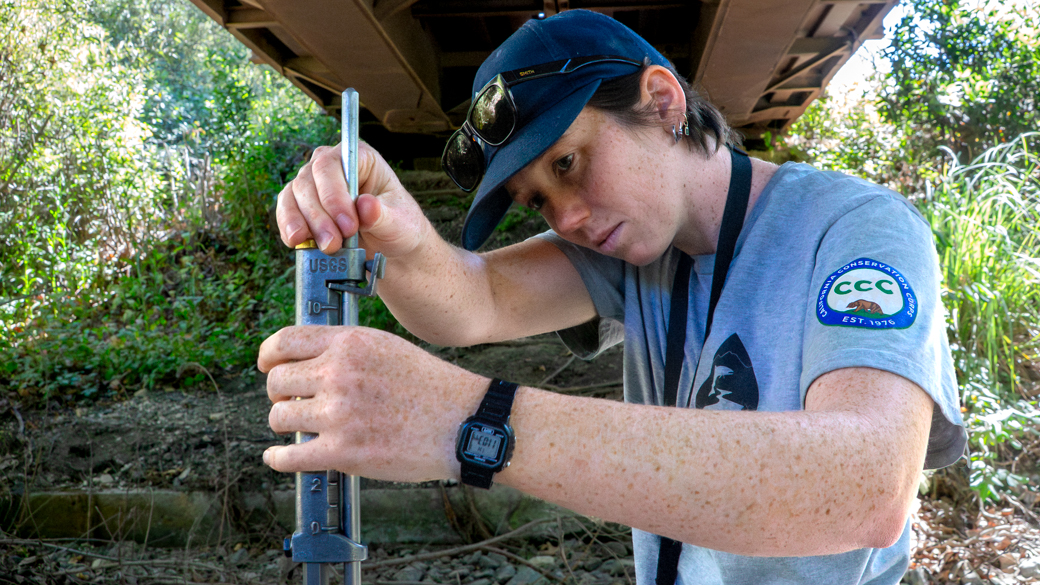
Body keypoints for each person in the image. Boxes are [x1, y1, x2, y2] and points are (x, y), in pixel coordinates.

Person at [258, 10, 966, 585]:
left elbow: (866, 486)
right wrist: (394, 229)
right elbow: (476, 300)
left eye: (569, 163)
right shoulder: (638, 250)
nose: (567, 216)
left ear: (662, 103)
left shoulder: (854, 229)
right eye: (538, 200)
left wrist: (471, 422)